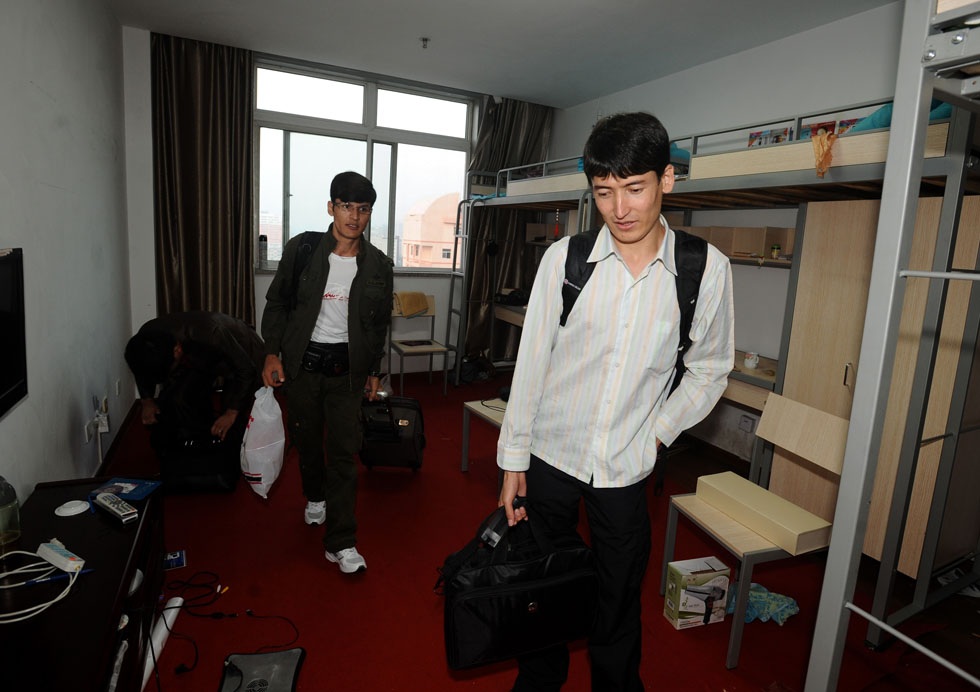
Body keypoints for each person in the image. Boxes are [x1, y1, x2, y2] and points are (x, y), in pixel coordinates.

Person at [496, 112, 734, 690]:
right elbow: (531, 366)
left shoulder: (703, 270)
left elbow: (710, 368)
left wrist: (660, 431)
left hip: (627, 468)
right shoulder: (566, 261)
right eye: (604, 192)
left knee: (619, 598)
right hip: (552, 457)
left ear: (667, 181)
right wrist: (512, 462)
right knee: (542, 588)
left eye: (634, 188)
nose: (619, 209)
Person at [261, 171, 393, 575]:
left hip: (345, 375)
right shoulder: (303, 249)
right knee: (307, 442)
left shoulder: (378, 266)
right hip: (303, 367)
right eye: (347, 206)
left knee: (343, 454)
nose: (354, 216)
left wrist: (375, 371)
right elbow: (278, 303)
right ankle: (314, 496)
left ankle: (341, 541)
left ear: (370, 213)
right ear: (331, 207)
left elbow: (378, 324)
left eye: (364, 208)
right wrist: (271, 353)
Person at [125, 310, 266, 451]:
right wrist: (147, 400)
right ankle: (202, 443)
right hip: (199, 354)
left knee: (232, 414)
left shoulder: (212, 334)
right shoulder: (145, 339)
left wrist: (231, 413)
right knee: (179, 397)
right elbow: (142, 368)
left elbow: (246, 370)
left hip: (244, 350)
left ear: (177, 350)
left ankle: (234, 454)